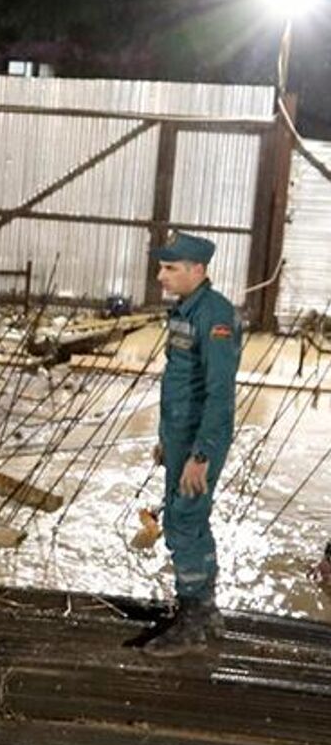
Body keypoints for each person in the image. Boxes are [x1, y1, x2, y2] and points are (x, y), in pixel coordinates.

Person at [149, 231, 241, 652]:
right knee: (190, 520)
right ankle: (204, 611)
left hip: (201, 440)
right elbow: (180, 382)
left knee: (183, 522)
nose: (160, 276)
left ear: (198, 270)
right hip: (181, 436)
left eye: (170, 268)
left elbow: (220, 393)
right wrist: (168, 441)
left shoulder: (215, 315)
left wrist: (201, 455)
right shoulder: (186, 310)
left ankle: (191, 620)